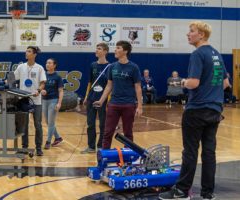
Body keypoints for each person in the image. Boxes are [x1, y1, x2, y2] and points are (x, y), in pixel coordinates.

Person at [159, 21, 230, 200]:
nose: (188, 34)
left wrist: (181, 82)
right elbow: (226, 83)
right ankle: (208, 193)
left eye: (191, 31)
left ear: (201, 35)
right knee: (209, 153)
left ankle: (182, 191)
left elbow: (194, 83)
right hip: (214, 110)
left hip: (197, 109)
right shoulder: (217, 55)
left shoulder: (198, 54)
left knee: (190, 151)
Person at [93, 40, 142, 149]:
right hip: (113, 104)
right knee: (108, 132)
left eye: (118, 48)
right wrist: (101, 101)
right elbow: (109, 86)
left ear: (125, 51)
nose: (115, 50)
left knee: (128, 133)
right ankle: (104, 158)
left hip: (129, 104)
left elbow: (138, 87)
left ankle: (127, 158)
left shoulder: (134, 67)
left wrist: (139, 106)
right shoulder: (112, 67)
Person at [14, 46, 46, 156]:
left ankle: (38, 148)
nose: (26, 53)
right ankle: (24, 147)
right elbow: (13, 78)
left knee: (38, 124)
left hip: (36, 100)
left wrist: (38, 90)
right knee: (24, 125)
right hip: (23, 100)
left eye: (29, 51)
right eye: (26, 51)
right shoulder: (21, 67)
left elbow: (42, 83)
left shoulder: (39, 68)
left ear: (34, 54)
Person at [81, 43, 109, 154]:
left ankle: (101, 146)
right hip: (91, 98)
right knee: (90, 123)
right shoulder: (93, 65)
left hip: (103, 100)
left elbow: (110, 85)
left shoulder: (110, 67)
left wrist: (108, 101)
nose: (96, 50)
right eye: (96, 48)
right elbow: (90, 82)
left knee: (103, 124)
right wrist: (86, 96)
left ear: (105, 51)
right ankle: (91, 147)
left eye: (99, 49)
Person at [42, 58, 64, 149]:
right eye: (46, 62)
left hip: (53, 100)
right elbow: (40, 86)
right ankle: (58, 137)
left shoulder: (57, 77)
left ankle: (48, 141)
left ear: (54, 65)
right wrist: (41, 90)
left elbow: (61, 91)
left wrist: (59, 103)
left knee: (51, 122)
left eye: (50, 63)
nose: (47, 64)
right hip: (44, 100)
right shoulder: (43, 75)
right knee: (48, 121)